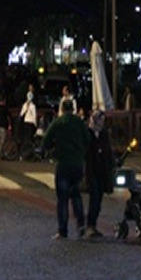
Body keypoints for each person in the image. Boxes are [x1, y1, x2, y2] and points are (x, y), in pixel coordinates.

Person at [42, 99, 90, 239]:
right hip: (77, 162)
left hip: (63, 163)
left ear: (62, 109)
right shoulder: (79, 122)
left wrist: (52, 149)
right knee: (76, 195)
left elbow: (46, 141)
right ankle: (81, 225)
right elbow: (87, 139)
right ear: (73, 109)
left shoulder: (58, 122)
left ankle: (63, 230)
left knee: (62, 199)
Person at [84, 109, 115, 237]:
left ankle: (93, 225)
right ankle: (90, 225)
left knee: (98, 200)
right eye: (100, 120)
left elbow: (108, 150)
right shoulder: (88, 133)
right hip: (91, 170)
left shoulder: (103, 134)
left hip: (102, 170)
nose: (102, 123)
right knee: (95, 198)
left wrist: (112, 163)